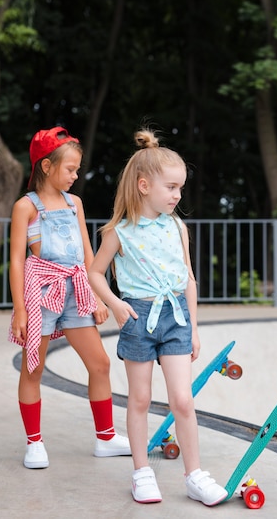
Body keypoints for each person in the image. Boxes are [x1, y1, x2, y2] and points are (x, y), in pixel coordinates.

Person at [88, 128, 228, 506]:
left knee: (183, 400)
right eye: (171, 187)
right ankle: (141, 473)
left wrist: (194, 328)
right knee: (141, 399)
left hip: (176, 318)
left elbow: (189, 280)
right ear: (144, 185)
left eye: (180, 188)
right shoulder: (119, 232)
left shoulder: (177, 226)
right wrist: (115, 304)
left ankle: (195, 475)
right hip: (139, 318)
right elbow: (94, 273)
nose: (177, 196)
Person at [8, 126, 131, 469]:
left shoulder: (74, 203)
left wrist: (98, 297)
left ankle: (105, 437)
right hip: (41, 293)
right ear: (46, 166)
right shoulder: (25, 206)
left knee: (100, 364)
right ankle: (34, 443)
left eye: (77, 169)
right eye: (70, 169)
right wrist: (20, 309)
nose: (76, 176)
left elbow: (87, 255)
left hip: (76, 292)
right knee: (33, 369)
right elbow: (18, 260)